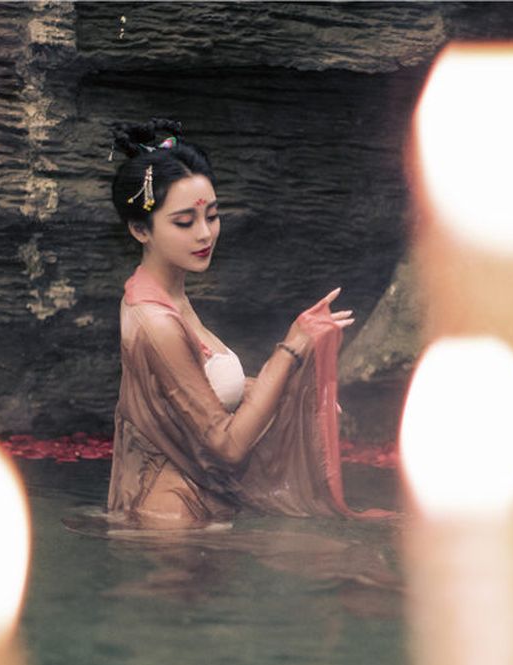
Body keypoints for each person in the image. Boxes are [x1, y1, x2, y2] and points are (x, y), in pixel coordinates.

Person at [106, 119, 367, 530]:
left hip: (195, 504)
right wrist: (292, 350)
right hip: (170, 518)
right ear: (140, 229)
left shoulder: (168, 297)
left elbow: (205, 388)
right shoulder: (155, 321)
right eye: (183, 222)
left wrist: (297, 393)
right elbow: (226, 446)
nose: (205, 233)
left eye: (212, 215)